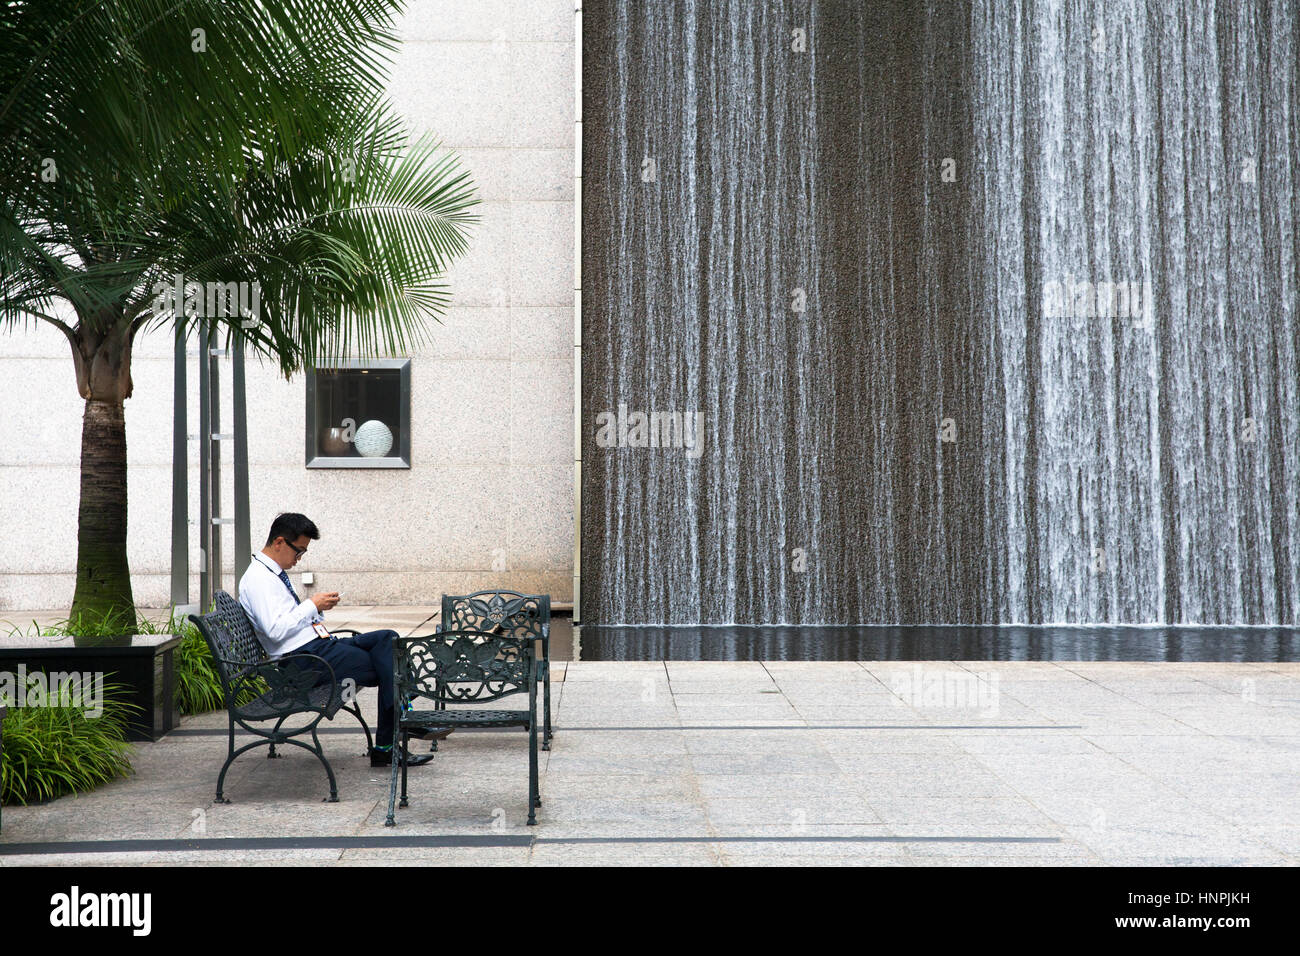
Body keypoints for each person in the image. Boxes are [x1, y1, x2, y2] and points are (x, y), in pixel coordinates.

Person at [237, 512, 443, 767]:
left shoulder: (270, 573)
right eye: (298, 551)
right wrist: (312, 604)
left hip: (316, 646)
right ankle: (394, 735)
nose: (299, 559)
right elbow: (275, 631)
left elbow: (286, 619)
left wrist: (317, 608)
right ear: (279, 542)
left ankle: (401, 721)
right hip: (302, 661)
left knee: (388, 640)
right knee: (390, 665)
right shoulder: (259, 579)